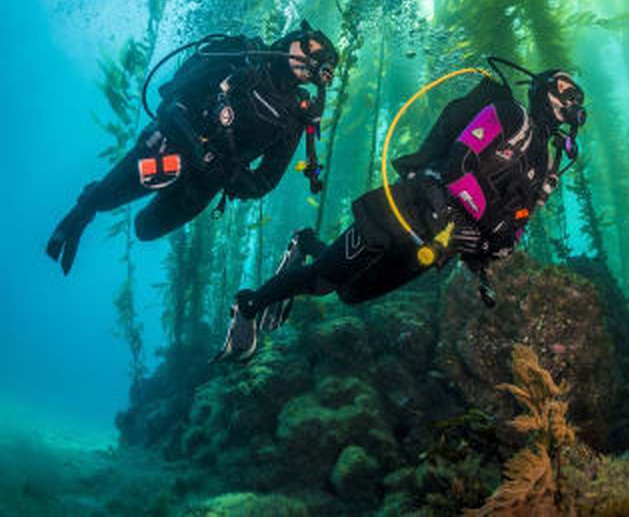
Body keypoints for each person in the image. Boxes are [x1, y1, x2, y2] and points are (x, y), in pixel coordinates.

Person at [214, 59, 588, 362]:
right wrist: (493, 226)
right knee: (321, 281)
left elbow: (514, 225)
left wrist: (494, 247)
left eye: (578, 96)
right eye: (566, 89)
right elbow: (458, 166)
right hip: (405, 211)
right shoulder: (508, 115)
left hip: (436, 247)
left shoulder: (545, 161)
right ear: (542, 88)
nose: (574, 100)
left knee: (351, 293)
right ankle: (249, 305)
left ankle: (308, 242)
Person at [46, 20, 339, 275]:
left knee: (145, 229)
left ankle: (98, 199)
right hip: (172, 151)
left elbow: (265, 180)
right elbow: (173, 94)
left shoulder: (295, 114)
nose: (310, 61)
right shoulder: (242, 54)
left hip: (204, 182)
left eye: (320, 64)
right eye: (309, 47)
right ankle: (85, 208)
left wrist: (226, 171)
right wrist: (194, 132)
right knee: (103, 199)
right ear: (293, 38)